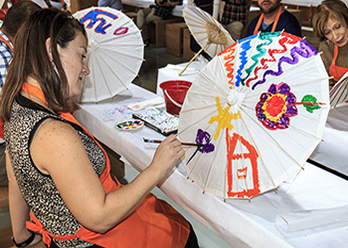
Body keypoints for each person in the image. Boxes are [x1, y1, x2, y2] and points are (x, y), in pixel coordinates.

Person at [2, 8, 199, 248]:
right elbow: (100, 217)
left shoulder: (18, 105)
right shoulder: (53, 133)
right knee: (182, 232)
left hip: (59, 236)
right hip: (98, 241)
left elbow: (16, 178)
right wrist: (156, 169)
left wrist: (22, 236)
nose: (86, 69)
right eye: (82, 55)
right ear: (51, 50)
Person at [0, 0, 41, 186]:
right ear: (25, 32)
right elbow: (13, 115)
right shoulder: (5, 59)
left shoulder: (7, 49)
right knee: (57, 161)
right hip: (2, 150)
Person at [312, 0, 348, 88]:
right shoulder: (326, 46)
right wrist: (329, 86)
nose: (335, 36)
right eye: (328, 32)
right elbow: (326, 77)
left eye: (337, 27)